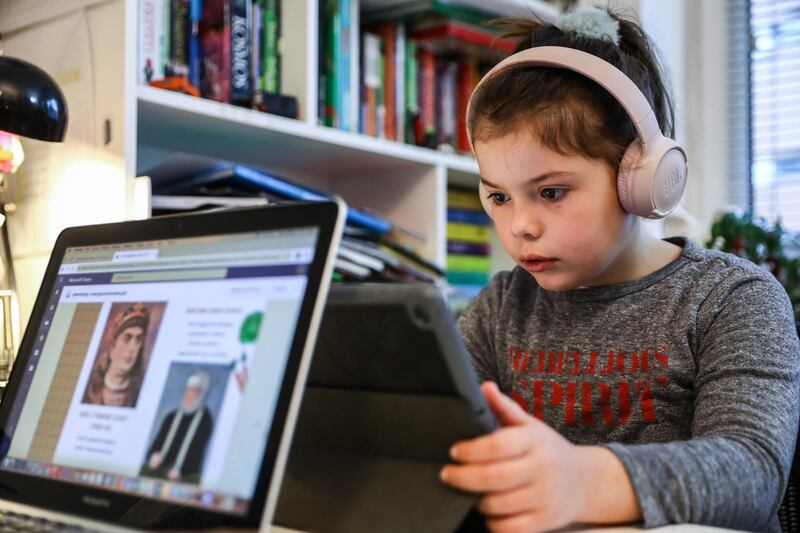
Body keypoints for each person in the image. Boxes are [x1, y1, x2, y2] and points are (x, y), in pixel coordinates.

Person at [441, 6, 800, 533]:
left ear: (643, 178)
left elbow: (753, 473)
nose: (519, 225)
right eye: (498, 195)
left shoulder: (730, 299)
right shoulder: (500, 309)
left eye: (551, 192)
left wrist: (582, 480)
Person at [142, 370, 214, 483]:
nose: (188, 394)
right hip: (161, 471)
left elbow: (197, 453)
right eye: (187, 389)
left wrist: (182, 471)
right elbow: (158, 443)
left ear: (201, 394)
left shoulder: (205, 420)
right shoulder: (171, 417)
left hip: (184, 476)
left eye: (194, 391)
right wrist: (153, 455)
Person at [83, 303, 150, 407]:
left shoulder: (142, 390)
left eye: (138, 340)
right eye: (127, 338)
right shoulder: (87, 386)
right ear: (112, 348)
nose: (132, 348)